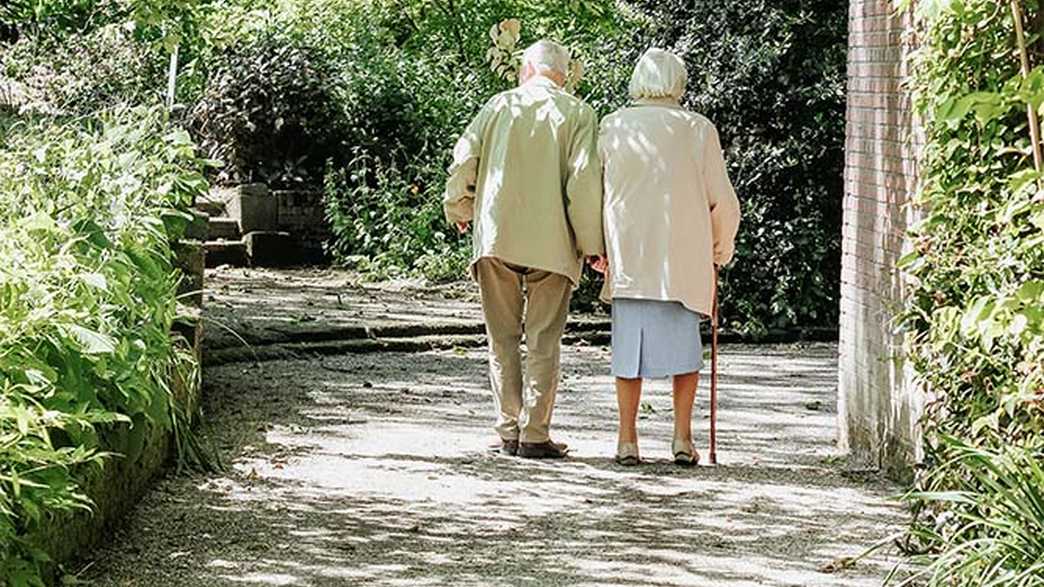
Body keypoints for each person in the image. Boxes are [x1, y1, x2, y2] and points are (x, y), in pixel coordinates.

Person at [444, 39, 604, 459]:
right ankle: (535, 434)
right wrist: (592, 245)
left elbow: (464, 159)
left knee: (502, 338)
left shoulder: (498, 106)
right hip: (553, 243)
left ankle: (507, 429)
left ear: (527, 69)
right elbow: (584, 184)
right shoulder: (579, 113)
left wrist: (459, 206)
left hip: (498, 237)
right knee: (544, 340)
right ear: (563, 75)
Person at [594, 48, 741, 466]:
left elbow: (596, 192)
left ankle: (627, 439)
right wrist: (719, 250)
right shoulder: (698, 129)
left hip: (631, 255)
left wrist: (596, 246)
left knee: (628, 352)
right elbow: (722, 202)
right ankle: (681, 437)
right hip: (683, 257)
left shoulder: (613, 125)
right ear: (679, 82)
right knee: (685, 352)